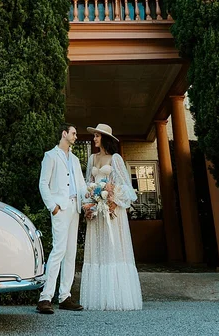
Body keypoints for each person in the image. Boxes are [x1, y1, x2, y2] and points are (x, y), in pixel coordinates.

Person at [80, 123, 144, 311]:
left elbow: (127, 188)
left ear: (105, 138)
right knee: (99, 249)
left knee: (112, 247)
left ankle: (118, 297)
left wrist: (112, 194)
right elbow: (88, 184)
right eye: (94, 136)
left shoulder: (116, 158)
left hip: (111, 209)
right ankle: (98, 298)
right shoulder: (92, 159)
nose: (94, 139)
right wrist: (89, 202)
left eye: (97, 136)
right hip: (97, 212)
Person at [37, 124, 89, 314]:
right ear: (64, 133)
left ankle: (65, 296)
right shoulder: (50, 156)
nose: (76, 136)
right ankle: (45, 297)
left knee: (70, 253)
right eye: (73, 133)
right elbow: (43, 183)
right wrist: (53, 207)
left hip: (75, 208)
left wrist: (87, 202)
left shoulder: (74, 159)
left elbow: (81, 185)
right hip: (60, 209)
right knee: (58, 250)